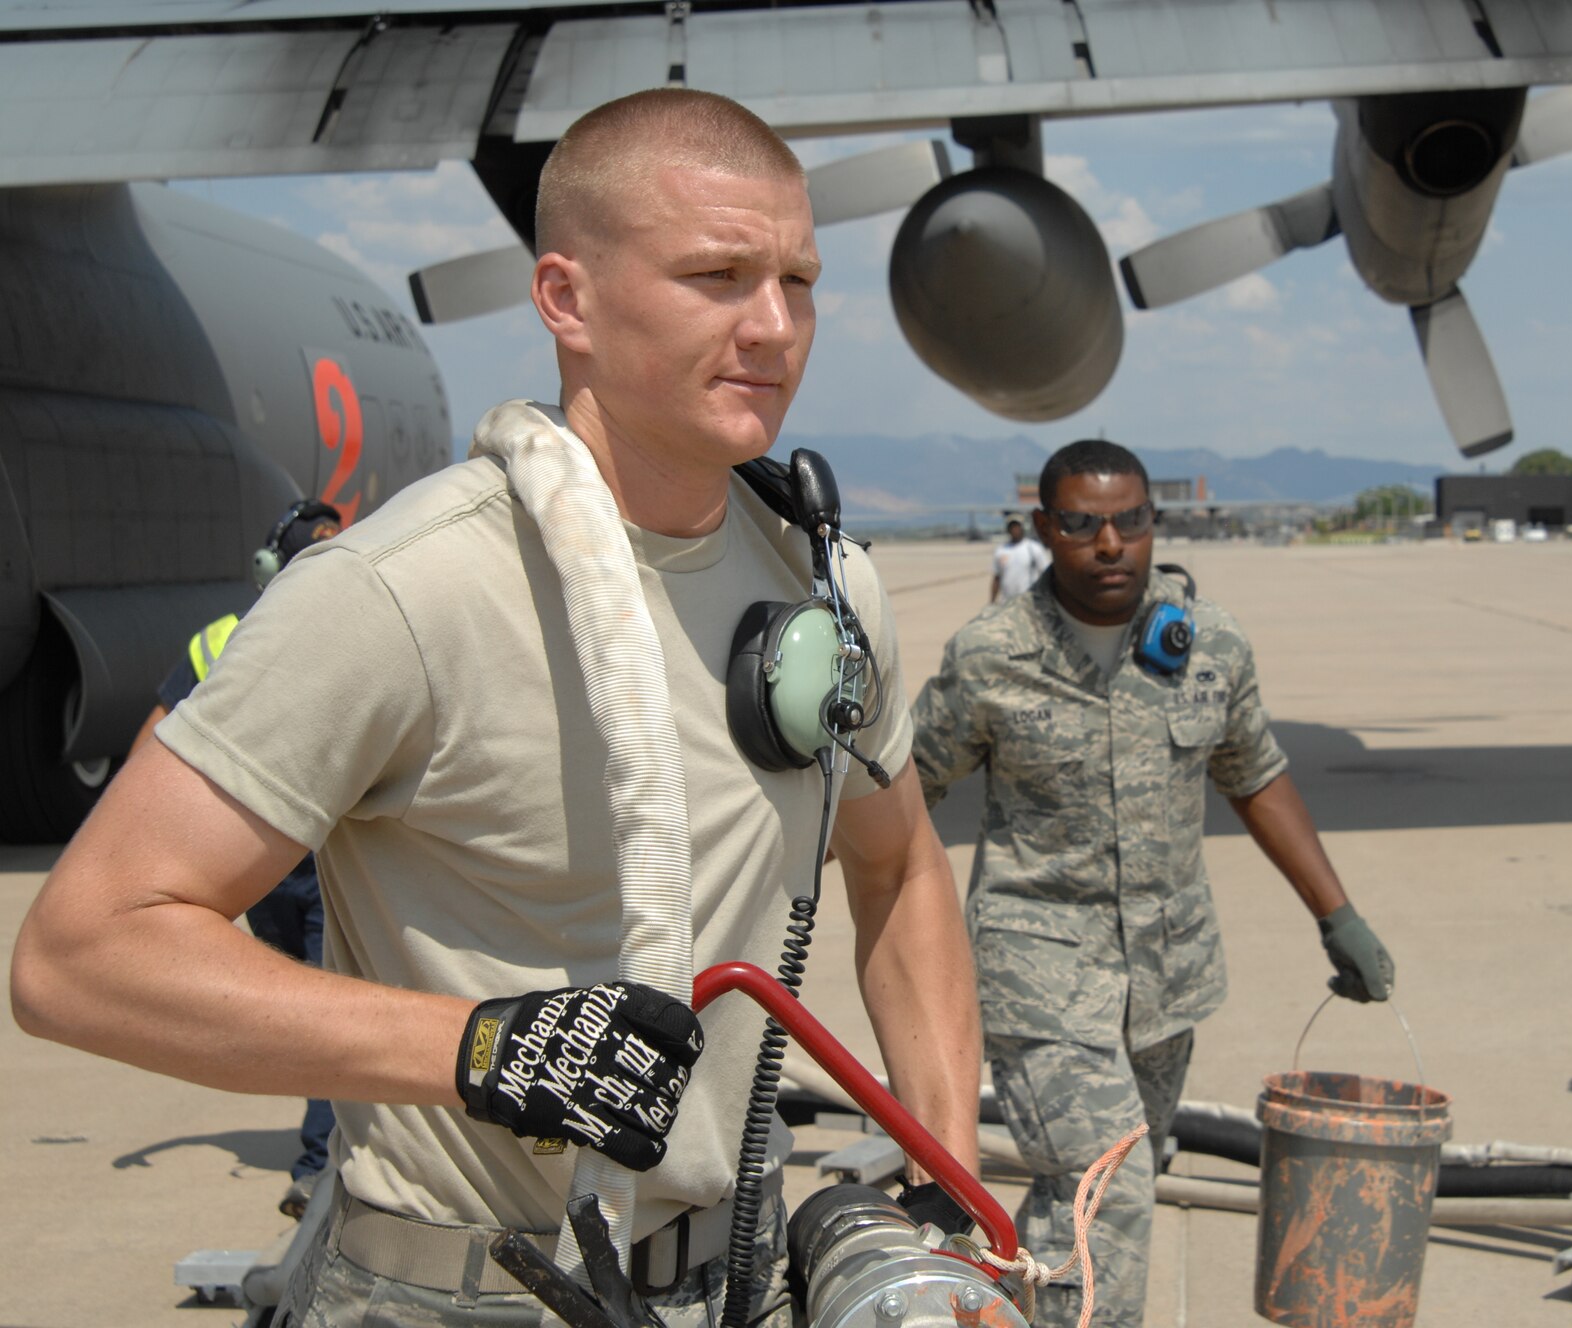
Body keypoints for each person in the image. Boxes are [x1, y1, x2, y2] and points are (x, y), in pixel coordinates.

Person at [12, 88, 981, 1325]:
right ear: (565, 299)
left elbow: (898, 873)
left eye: (797, 279)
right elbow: (81, 953)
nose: (774, 327)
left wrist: (946, 1172)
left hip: (730, 1284)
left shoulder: (824, 585)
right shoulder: (405, 588)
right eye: (717, 275)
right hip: (456, 1290)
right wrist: (483, 1049)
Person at [909, 438, 1395, 1328]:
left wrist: (1339, 916)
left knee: (1117, 1183)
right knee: (1107, 1188)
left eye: (1130, 521)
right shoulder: (991, 656)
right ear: (1047, 528)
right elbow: (902, 791)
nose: (1109, 543)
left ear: (1152, 524)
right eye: (1085, 523)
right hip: (1040, 976)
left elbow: (1255, 773)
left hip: (1166, 980)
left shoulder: (1209, 646)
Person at [126, 498, 345, 1219]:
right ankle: (329, 1145)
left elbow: (154, 740)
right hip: (287, 861)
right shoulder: (334, 627)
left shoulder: (224, 637)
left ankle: (318, 1163)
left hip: (281, 864)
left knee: (316, 1004)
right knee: (298, 1004)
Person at [990, 517, 1050, 602]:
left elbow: (1046, 573)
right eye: (1012, 527)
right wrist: (992, 601)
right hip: (1006, 602)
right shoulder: (1001, 550)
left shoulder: (1033, 548)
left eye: (1017, 527)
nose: (1015, 530)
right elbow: (997, 577)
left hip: (1029, 601)